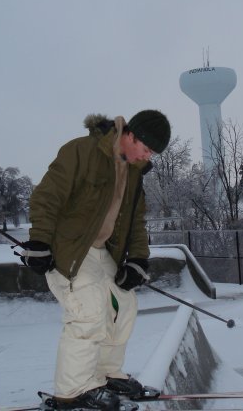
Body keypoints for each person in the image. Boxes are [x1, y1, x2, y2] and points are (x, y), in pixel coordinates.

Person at [18, 110, 171, 410]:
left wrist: (138, 260)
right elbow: (46, 196)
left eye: (152, 152)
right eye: (146, 148)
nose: (147, 156)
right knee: (88, 310)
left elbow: (136, 221)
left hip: (102, 252)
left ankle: (105, 374)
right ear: (130, 135)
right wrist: (39, 242)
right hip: (71, 249)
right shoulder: (82, 151)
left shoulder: (135, 172)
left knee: (122, 304)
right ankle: (73, 391)